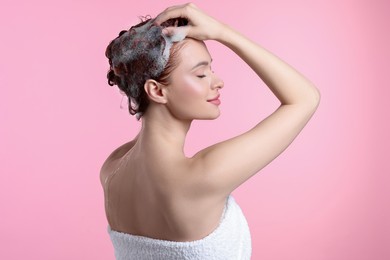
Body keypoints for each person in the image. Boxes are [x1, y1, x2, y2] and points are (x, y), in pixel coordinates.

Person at [100, 3, 320, 259]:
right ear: (157, 91)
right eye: (202, 74)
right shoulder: (202, 177)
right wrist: (222, 32)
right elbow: (305, 98)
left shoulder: (111, 170)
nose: (218, 82)